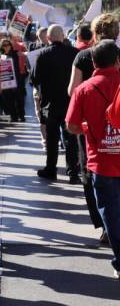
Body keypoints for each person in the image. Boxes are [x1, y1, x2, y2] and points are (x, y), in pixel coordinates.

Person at [66, 40, 120, 279]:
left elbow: (71, 125)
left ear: (94, 63)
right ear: (117, 61)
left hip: (101, 160)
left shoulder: (84, 89)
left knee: (109, 212)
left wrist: (89, 129)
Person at [31, 25, 80, 183]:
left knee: (52, 139)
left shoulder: (42, 54)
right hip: (70, 103)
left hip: (50, 104)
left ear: (48, 38)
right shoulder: (75, 53)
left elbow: (35, 79)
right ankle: (73, 172)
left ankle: (50, 169)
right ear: (63, 36)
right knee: (70, 138)